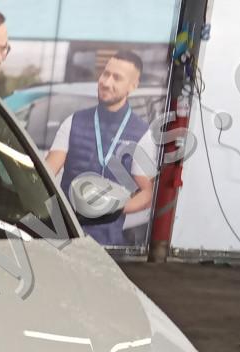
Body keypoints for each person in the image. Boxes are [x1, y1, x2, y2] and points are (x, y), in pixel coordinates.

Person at [45, 51, 157, 245]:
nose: (106, 82)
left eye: (117, 78)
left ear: (132, 86)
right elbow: (46, 173)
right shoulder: (74, 121)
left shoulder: (142, 134)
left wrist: (113, 209)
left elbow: (148, 192)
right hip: (65, 237)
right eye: (105, 74)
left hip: (107, 243)